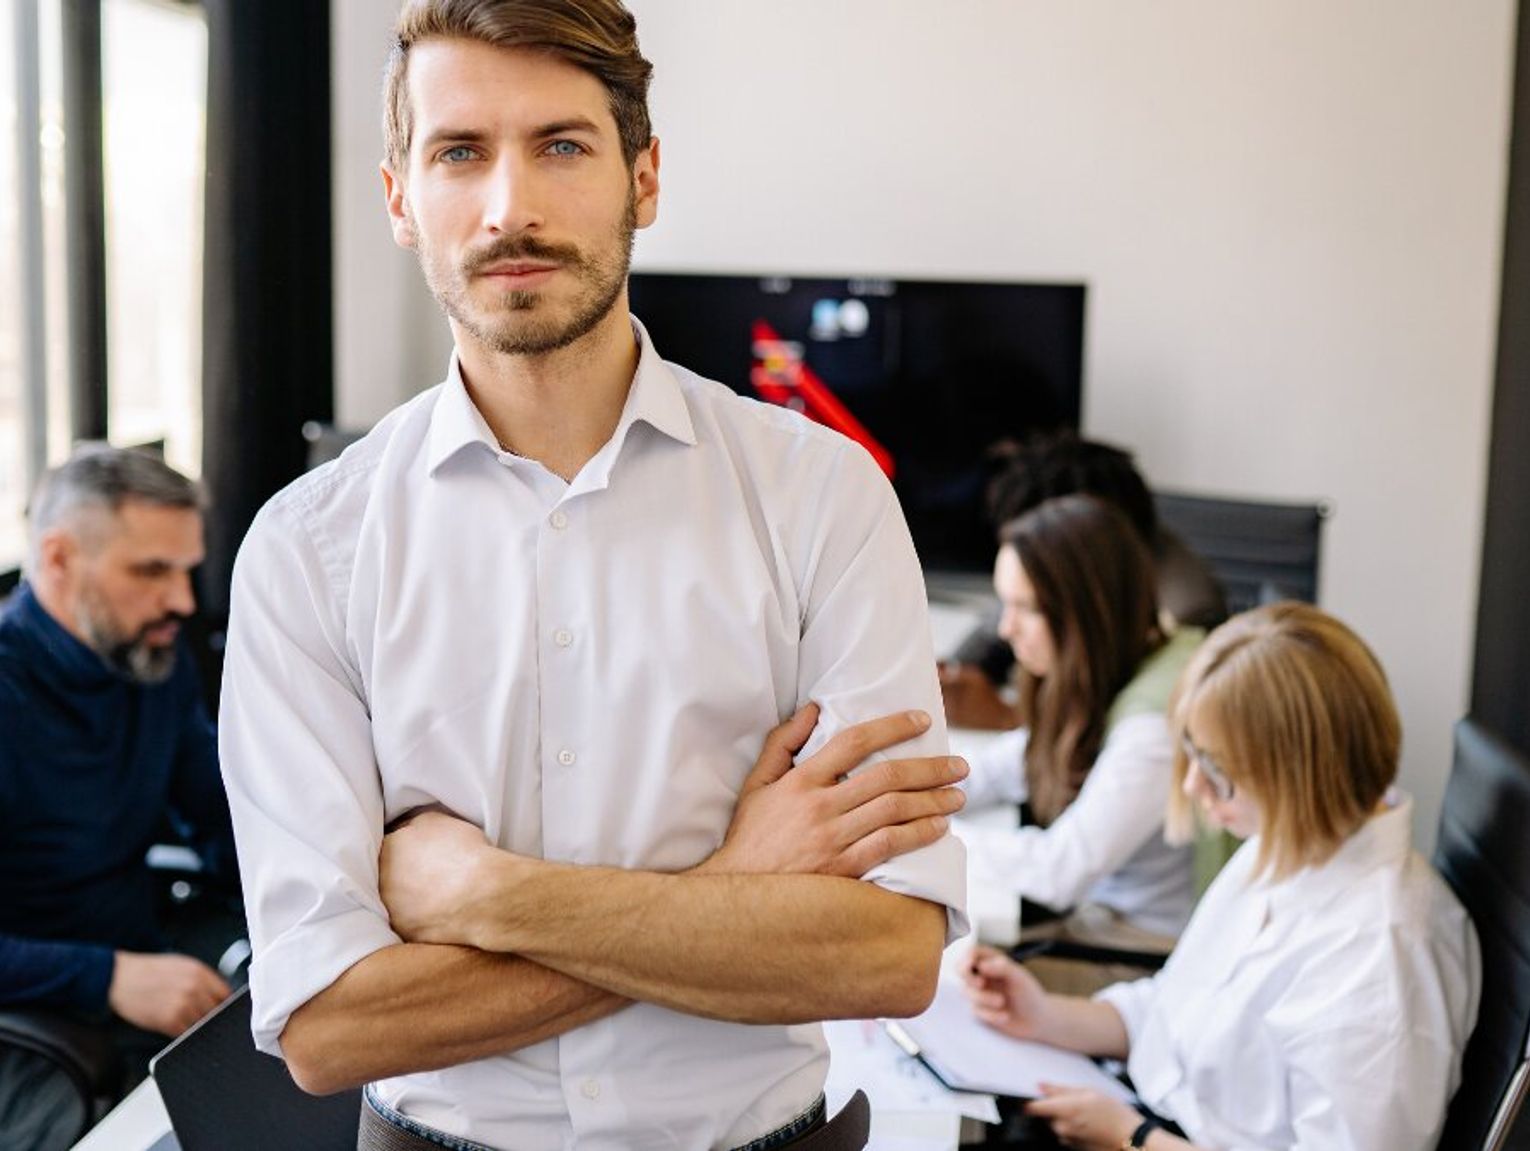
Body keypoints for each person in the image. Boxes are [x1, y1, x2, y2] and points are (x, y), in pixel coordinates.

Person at [217, 3, 968, 1150]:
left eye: (562, 145)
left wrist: (486, 896)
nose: (510, 205)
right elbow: (327, 1027)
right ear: (399, 200)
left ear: (644, 178)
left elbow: (887, 952)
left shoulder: (825, 497)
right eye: (459, 152)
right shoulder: (308, 547)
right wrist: (734, 887)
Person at [963, 602, 1480, 1150]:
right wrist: (1042, 1016)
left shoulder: (1380, 960)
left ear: (1296, 777)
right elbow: (1173, 1012)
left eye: (1216, 773)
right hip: (1142, 1108)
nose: (1192, 790)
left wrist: (1131, 1137)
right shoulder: (1287, 844)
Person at [0, 446, 238, 1151]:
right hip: (28, 1019)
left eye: (186, 569)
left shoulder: (149, 662)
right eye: (151, 571)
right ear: (60, 558)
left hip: (142, 973)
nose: (183, 602)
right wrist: (107, 977)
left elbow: (219, 814)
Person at [959, 495, 1199, 983]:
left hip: (1140, 955)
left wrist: (929, 835)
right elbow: (1010, 765)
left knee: (942, 984)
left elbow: (1060, 872)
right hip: (1097, 927)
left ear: (1085, 613)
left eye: (1026, 608)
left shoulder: (1151, 732)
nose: (1007, 629)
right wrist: (905, 796)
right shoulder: (1116, 668)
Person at [941, 431, 1225, 732]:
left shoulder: (1184, 618)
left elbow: (1112, 728)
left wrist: (1010, 717)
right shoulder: (1089, 564)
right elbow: (991, 639)